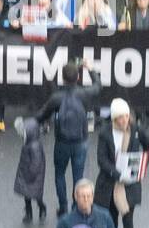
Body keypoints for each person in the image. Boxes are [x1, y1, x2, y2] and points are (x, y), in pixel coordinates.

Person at [36, 59, 103, 216]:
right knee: (78, 177)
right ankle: (76, 206)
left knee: (59, 174)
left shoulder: (56, 98)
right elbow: (98, 86)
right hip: (80, 141)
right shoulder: (85, 94)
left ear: (63, 78)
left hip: (62, 142)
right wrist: (91, 69)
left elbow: (41, 116)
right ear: (78, 78)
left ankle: (63, 206)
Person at [95, 98, 149, 228]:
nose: (124, 120)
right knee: (112, 217)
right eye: (120, 117)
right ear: (114, 119)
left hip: (130, 183)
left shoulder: (135, 129)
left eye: (126, 116)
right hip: (110, 183)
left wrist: (143, 164)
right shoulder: (105, 133)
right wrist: (116, 173)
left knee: (128, 218)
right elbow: (101, 159)